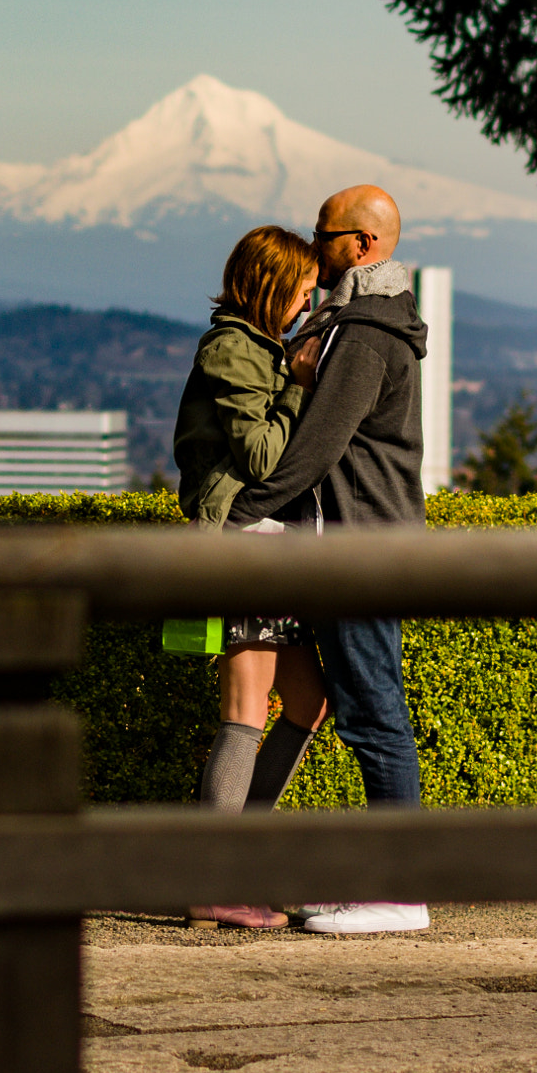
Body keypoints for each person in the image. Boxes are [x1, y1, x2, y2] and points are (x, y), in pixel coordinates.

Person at [227, 185, 431, 936]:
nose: (313, 244)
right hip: (346, 544)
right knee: (341, 706)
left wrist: (243, 516)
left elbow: (317, 446)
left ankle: (401, 891)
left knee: (375, 714)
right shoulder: (353, 326)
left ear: (364, 245)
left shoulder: (367, 335)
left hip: (357, 550)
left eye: (325, 233)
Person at [170, 226, 331, 930]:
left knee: (307, 702)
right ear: (272, 284)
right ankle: (212, 881)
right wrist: (298, 388)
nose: (308, 298)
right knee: (246, 708)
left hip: (273, 544)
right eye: (301, 285)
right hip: (240, 542)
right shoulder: (232, 349)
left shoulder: (259, 346)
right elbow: (263, 456)